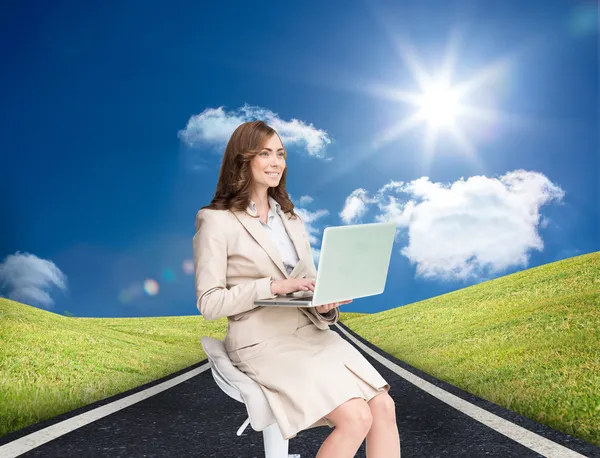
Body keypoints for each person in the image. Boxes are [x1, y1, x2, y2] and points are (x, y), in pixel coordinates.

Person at [193, 120, 401, 457]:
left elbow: (308, 283)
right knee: (356, 417)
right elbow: (209, 303)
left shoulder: (291, 218)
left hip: (311, 334)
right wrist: (273, 286)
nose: (276, 162)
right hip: (261, 342)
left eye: (281, 154)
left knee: (384, 407)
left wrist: (324, 305)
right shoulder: (215, 220)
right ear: (243, 159)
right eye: (265, 153)